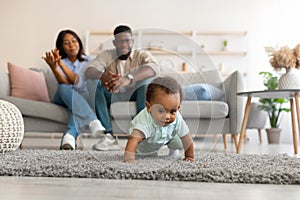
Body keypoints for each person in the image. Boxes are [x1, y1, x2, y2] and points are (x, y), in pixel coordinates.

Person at [85, 25, 159, 151]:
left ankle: (143, 134)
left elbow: (153, 69)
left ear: (132, 41)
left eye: (127, 41)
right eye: (120, 41)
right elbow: (89, 70)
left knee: (147, 82)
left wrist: (129, 78)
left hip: (137, 94)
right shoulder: (107, 55)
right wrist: (104, 76)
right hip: (114, 94)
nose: (124, 44)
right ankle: (108, 136)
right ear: (114, 42)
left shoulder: (141, 54)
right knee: (93, 82)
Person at [42, 29, 105, 150]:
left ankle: (69, 137)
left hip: (80, 99)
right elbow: (64, 83)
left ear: (79, 42)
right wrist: (55, 67)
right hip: (63, 96)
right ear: (61, 47)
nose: (71, 45)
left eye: (74, 41)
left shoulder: (89, 61)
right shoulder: (59, 61)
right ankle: (92, 120)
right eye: (66, 43)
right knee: (64, 87)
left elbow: (78, 82)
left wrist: (60, 65)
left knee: (75, 107)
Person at [123, 76, 195, 163]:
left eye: (172, 111)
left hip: (164, 137)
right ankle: (149, 151)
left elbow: (187, 138)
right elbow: (133, 140)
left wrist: (189, 156)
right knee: (147, 154)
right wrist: (129, 159)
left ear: (178, 108)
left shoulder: (178, 118)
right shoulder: (144, 121)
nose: (167, 116)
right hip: (143, 145)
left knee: (180, 142)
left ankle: (173, 149)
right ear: (149, 107)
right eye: (161, 111)